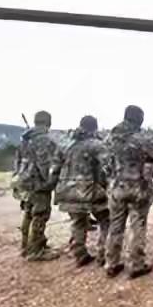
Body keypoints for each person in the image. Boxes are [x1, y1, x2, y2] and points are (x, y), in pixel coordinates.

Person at [104, 105, 153, 279]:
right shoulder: (141, 138)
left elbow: (104, 163)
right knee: (137, 225)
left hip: (117, 187)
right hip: (138, 188)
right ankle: (136, 264)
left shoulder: (110, 138)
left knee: (115, 226)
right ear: (139, 119)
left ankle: (111, 263)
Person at [53, 115, 110, 268]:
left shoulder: (64, 144)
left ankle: (80, 254)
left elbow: (55, 169)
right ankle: (104, 254)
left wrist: (56, 187)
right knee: (106, 220)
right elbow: (108, 168)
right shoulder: (97, 145)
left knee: (78, 222)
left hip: (66, 190)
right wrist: (107, 186)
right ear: (95, 128)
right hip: (89, 190)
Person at [10, 110, 60, 261]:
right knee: (40, 215)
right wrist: (50, 183)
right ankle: (36, 251)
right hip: (38, 184)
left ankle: (26, 246)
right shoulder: (45, 141)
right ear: (49, 122)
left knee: (28, 213)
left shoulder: (25, 140)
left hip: (24, 182)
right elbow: (45, 166)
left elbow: (17, 162)